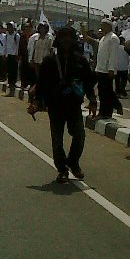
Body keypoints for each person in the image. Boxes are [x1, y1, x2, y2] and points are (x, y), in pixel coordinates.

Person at [28, 26, 97, 183]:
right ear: (58, 40)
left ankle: (73, 162)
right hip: (55, 106)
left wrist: (92, 101)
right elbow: (41, 84)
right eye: (63, 37)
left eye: (69, 37)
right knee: (57, 141)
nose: (66, 40)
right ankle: (62, 169)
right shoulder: (49, 61)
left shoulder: (81, 61)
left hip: (74, 106)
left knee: (79, 136)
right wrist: (36, 102)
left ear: (73, 40)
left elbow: (88, 82)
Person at [83, 19, 120, 120]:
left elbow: (113, 55)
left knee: (106, 93)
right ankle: (102, 112)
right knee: (102, 92)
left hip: (107, 70)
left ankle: (106, 113)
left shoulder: (113, 38)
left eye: (103, 25)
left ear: (108, 26)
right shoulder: (104, 38)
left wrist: (111, 69)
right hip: (100, 69)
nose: (101, 27)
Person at [1, 22, 21, 96]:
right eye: (8, 26)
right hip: (8, 55)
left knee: (14, 72)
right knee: (9, 71)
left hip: (14, 56)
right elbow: (5, 45)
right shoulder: (7, 36)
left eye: (10, 26)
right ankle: (10, 85)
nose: (9, 28)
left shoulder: (16, 36)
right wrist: (4, 54)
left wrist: (17, 55)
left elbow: (18, 46)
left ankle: (12, 88)